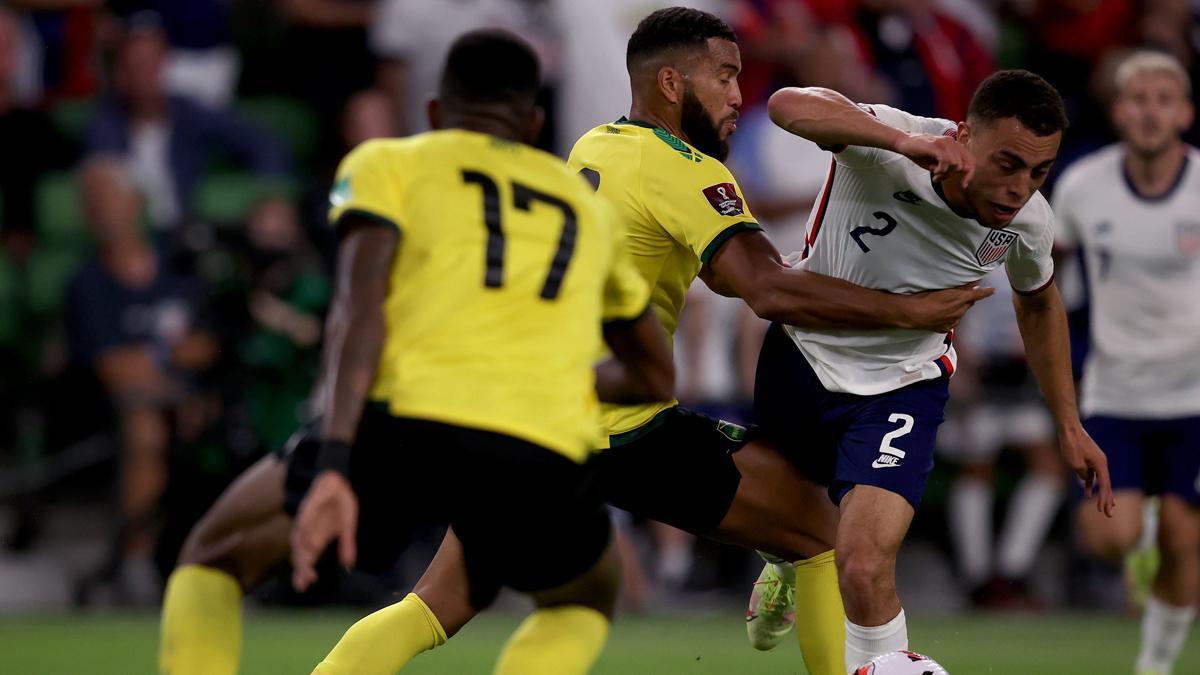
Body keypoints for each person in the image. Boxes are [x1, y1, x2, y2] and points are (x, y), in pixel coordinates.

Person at [310, 8, 995, 675]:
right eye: (724, 76)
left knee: (436, 604)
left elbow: (720, 275)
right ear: (672, 83)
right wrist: (905, 311)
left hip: (523, 417)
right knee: (819, 533)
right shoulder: (688, 170)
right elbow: (765, 291)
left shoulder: (595, 144)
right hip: (621, 428)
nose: (736, 94)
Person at [157, 29, 678, 675]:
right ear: (535, 122)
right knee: (585, 595)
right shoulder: (584, 206)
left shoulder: (388, 163)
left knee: (211, 554)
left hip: (406, 422)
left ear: (434, 112)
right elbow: (654, 372)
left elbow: (358, 307)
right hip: (537, 437)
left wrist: (335, 458)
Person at [750, 70, 1114, 670]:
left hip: (902, 384)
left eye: (1038, 172)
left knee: (863, 563)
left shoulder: (1026, 223)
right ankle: (782, 562)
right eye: (1008, 164)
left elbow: (1039, 301)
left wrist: (1069, 424)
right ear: (964, 135)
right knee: (797, 525)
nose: (1019, 188)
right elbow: (788, 104)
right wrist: (902, 144)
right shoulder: (896, 141)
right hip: (801, 356)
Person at [1053, 50, 1200, 675]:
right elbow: (1034, 248)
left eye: (1163, 99)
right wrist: (984, 255)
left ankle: (1154, 667)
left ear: (1185, 113)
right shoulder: (1083, 185)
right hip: (1114, 389)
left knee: (1184, 540)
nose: (1150, 111)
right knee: (1109, 537)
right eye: (1137, 98)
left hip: (1194, 396)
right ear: (1118, 111)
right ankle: (1134, 543)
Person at [65, 157, 219, 604]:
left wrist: (157, 362)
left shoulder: (178, 270)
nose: (103, 210)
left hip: (194, 398)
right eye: (92, 202)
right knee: (145, 425)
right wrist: (173, 369)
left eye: (110, 197)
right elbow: (114, 369)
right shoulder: (87, 284)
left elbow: (207, 346)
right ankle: (136, 561)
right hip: (109, 410)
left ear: (136, 203)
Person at [940, 268, 1064, 609]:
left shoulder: (1036, 242)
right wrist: (959, 363)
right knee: (977, 467)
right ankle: (977, 578)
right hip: (976, 375)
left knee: (1047, 467)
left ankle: (1012, 572)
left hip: (1021, 378)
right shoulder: (972, 242)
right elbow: (949, 301)